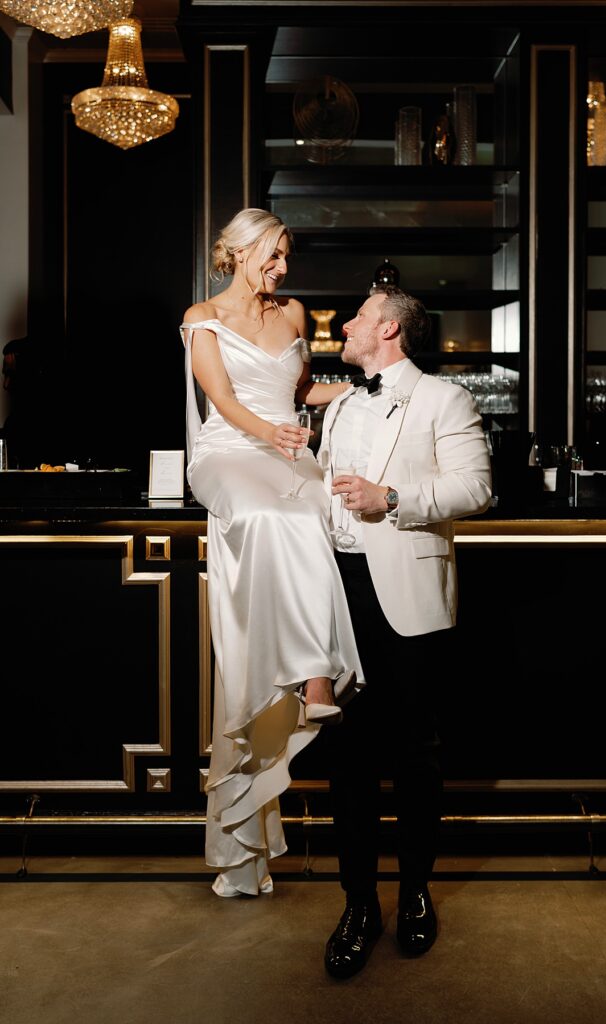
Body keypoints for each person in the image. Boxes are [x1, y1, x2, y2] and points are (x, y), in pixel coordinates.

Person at [180, 208, 364, 898]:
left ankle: (313, 681)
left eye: (287, 255)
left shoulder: (294, 311)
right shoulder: (202, 316)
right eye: (275, 254)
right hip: (231, 454)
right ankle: (299, 674)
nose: (284, 267)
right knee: (264, 514)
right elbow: (222, 399)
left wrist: (351, 397)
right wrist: (276, 435)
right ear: (240, 251)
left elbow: (299, 391)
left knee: (322, 512)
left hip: (288, 446)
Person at [317, 286, 492, 978]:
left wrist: (391, 499)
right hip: (336, 594)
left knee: (416, 754)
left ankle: (415, 892)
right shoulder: (344, 403)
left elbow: (475, 490)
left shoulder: (443, 400)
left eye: (357, 315)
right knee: (348, 759)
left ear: (387, 328)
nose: (346, 323)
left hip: (409, 599)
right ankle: (358, 905)